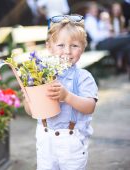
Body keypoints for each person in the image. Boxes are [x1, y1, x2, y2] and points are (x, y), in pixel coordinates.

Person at [23, 14, 98, 169]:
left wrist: (67, 96)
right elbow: (31, 111)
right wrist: (28, 97)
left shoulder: (83, 77)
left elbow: (90, 107)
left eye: (74, 46)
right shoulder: (41, 75)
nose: (67, 51)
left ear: (83, 48)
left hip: (71, 141)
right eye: (61, 45)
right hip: (45, 138)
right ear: (49, 47)